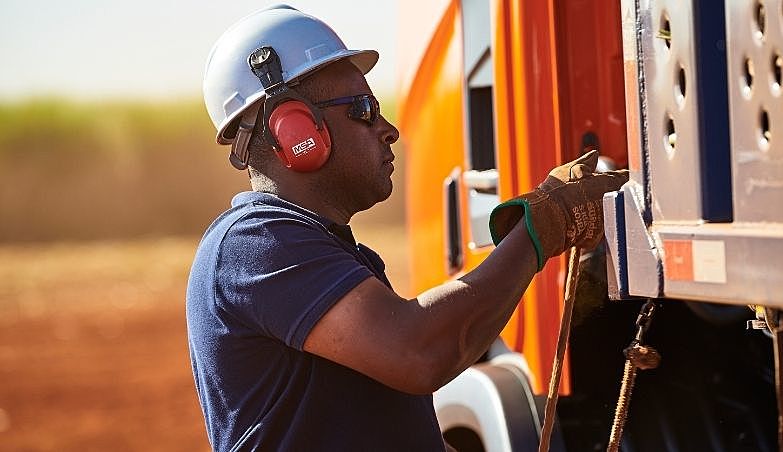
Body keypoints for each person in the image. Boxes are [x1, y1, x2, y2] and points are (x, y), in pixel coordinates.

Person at [187, 5, 628, 451]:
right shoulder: (256, 242)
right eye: (364, 109)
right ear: (296, 129)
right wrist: (542, 228)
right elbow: (420, 353)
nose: (389, 129)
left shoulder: (327, 252)